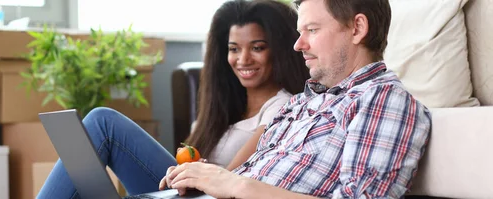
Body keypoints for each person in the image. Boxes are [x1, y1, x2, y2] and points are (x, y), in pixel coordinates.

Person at [159, 0, 432, 198]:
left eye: (311, 30)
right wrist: (205, 180)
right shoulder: (302, 102)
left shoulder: (382, 99)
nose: (298, 45)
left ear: (357, 28)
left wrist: (235, 185)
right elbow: (248, 178)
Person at [36, 0, 309, 198]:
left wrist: (200, 172)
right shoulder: (225, 109)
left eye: (257, 48)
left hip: (212, 196)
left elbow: (234, 179)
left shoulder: (282, 107)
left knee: (102, 124)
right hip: (185, 190)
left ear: (280, 51)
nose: (243, 59)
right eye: (234, 49)